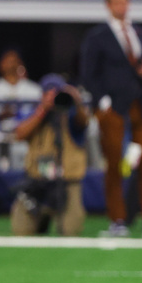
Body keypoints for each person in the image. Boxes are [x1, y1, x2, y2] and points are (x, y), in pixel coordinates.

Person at [80, 0, 142, 237]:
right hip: (114, 107)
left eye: (125, 0)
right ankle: (117, 219)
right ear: (108, 4)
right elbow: (88, 73)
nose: (122, 6)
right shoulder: (97, 37)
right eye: (117, 1)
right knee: (114, 164)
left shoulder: (140, 32)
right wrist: (102, 102)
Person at [10, 74, 90, 236]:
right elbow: (19, 133)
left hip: (67, 183)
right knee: (21, 230)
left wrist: (76, 100)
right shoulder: (35, 112)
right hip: (37, 183)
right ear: (42, 95)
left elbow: (84, 123)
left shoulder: (71, 114)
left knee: (71, 232)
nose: (54, 98)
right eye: (50, 94)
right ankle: (41, 220)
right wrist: (43, 109)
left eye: (57, 93)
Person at [0, 49, 42, 170]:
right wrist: (2, 115)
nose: (11, 64)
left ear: (20, 64)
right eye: (8, 61)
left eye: (14, 61)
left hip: (26, 139)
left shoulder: (34, 90)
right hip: (1, 138)